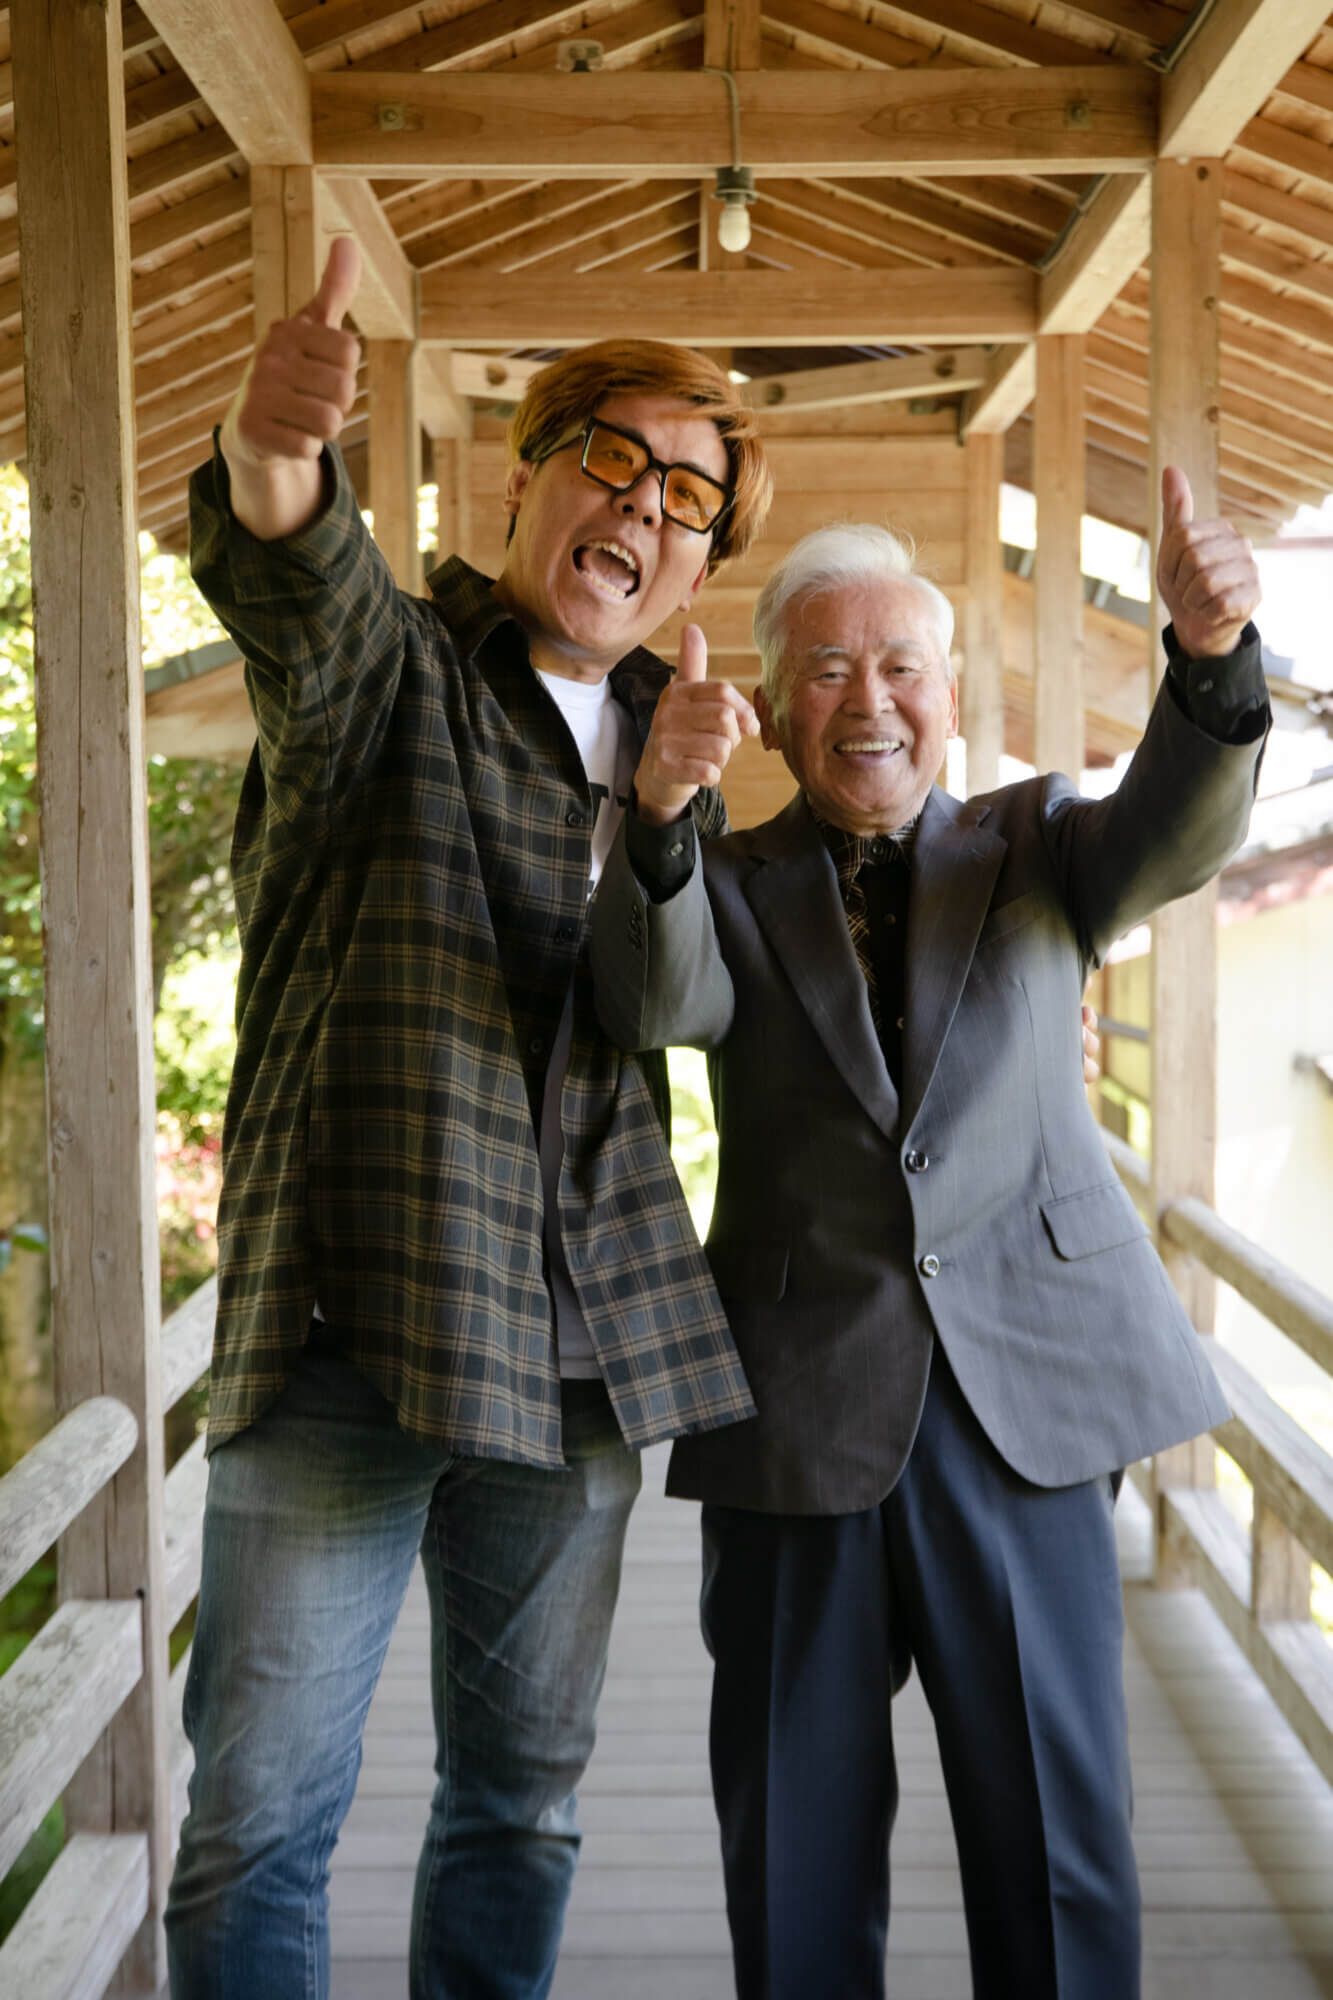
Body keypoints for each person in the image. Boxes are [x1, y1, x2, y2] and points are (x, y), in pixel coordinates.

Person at [163, 236, 775, 1999]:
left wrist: (666, 814)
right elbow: (302, 583)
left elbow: (685, 1002)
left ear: (694, 562)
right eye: (613, 459)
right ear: (529, 468)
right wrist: (275, 451)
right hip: (352, 1324)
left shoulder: (688, 742)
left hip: (577, 1360)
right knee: (260, 1817)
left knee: (524, 1808)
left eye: (687, 498)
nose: (642, 512)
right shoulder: (397, 671)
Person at [589, 471, 1268, 2000]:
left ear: (952, 696)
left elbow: (1180, 818)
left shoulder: (1042, 850)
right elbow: (647, 999)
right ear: (770, 703)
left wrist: (1210, 653)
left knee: (1052, 1840)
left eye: (900, 666)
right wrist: (654, 818)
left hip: (1025, 1407)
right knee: (794, 1848)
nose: (868, 700)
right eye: (826, 669)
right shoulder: (723, 879)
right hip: (793, 1412)